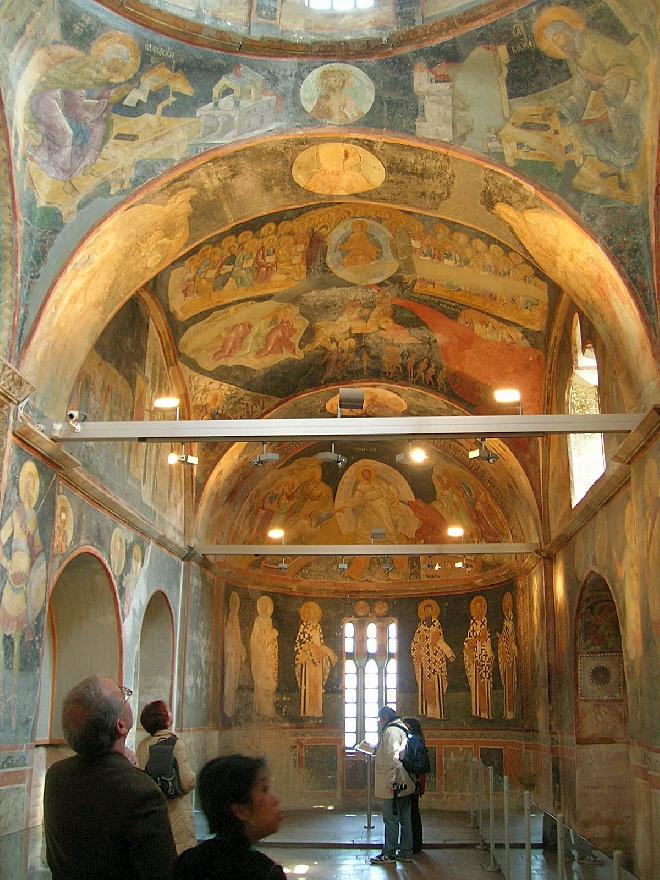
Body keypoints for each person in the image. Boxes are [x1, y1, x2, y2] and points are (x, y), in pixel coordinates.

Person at [44, 675, 176, 880]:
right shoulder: (142, 792)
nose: (125, 696)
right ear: (120, 726)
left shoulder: (56, 775)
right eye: (122, 694)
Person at [175, 754, 285, 880]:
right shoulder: (264, 873)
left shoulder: (186, 862)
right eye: (264, 789)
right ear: (241, 810)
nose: (275, 800)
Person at [136, 700, 197, 855]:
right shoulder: (175, 743)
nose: (171, 711)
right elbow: (187, 781)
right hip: (177, 814)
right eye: (168, 710)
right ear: (165, 719)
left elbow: (140, 779)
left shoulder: (143, 745)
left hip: (154, 814)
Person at [367, 706, 416, 864]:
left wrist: (391, 782)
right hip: (403, 781)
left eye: (380, 720)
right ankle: (406, 851)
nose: (379, 723)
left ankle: (389, 853)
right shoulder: (399, 729)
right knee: (405, 817)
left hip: (395, 783)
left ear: (384, 718)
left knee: (391, 818)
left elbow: (393, 758)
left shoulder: (391, 731)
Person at [402, 718, 426, 854]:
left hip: (413, 779)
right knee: (413, 812)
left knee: (412, 813)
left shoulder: (414, 740)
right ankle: (415, 843)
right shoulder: (417, 738)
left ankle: (414, 844)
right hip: (415, 779)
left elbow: (417, 762)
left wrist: (404, 762)